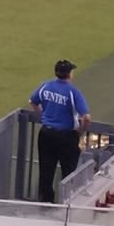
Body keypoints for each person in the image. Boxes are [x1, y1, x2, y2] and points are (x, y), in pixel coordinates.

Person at [31, 60, 90, 202]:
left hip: (46, 134)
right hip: (66, 136)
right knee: (69, 173)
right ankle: (66, 203)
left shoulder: (46, 86)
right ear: (69, 74)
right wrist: (80, 132)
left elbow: (33, 101)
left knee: (46, 169)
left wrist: (43, 116)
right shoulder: (73, 92)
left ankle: (45, 203)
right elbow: (86, 117)